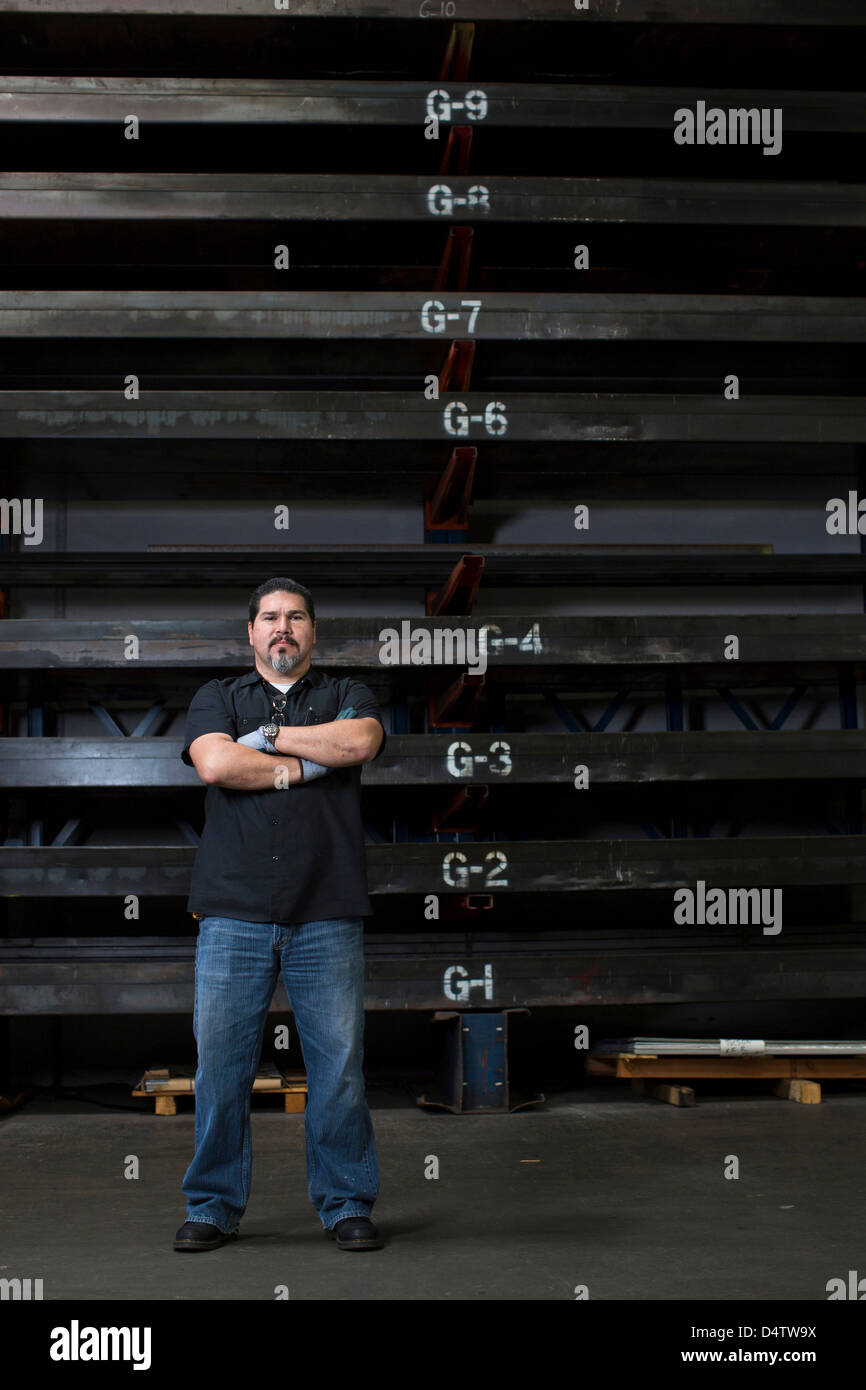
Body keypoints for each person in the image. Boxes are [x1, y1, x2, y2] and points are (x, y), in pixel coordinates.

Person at [173, 577, 387, 1253]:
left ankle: (346, 1201)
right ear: (252, 633)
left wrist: (265, 741)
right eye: (270, 617)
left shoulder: (347, 695)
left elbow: (358, 744)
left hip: (327, 907)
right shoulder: (217, 697)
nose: (282, 627)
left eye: (295, 616)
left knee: (339, 1067)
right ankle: (212, 1205)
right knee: (222, 1067)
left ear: (313, 632)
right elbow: (214, 763)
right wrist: (303, 765)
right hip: (232, 911)